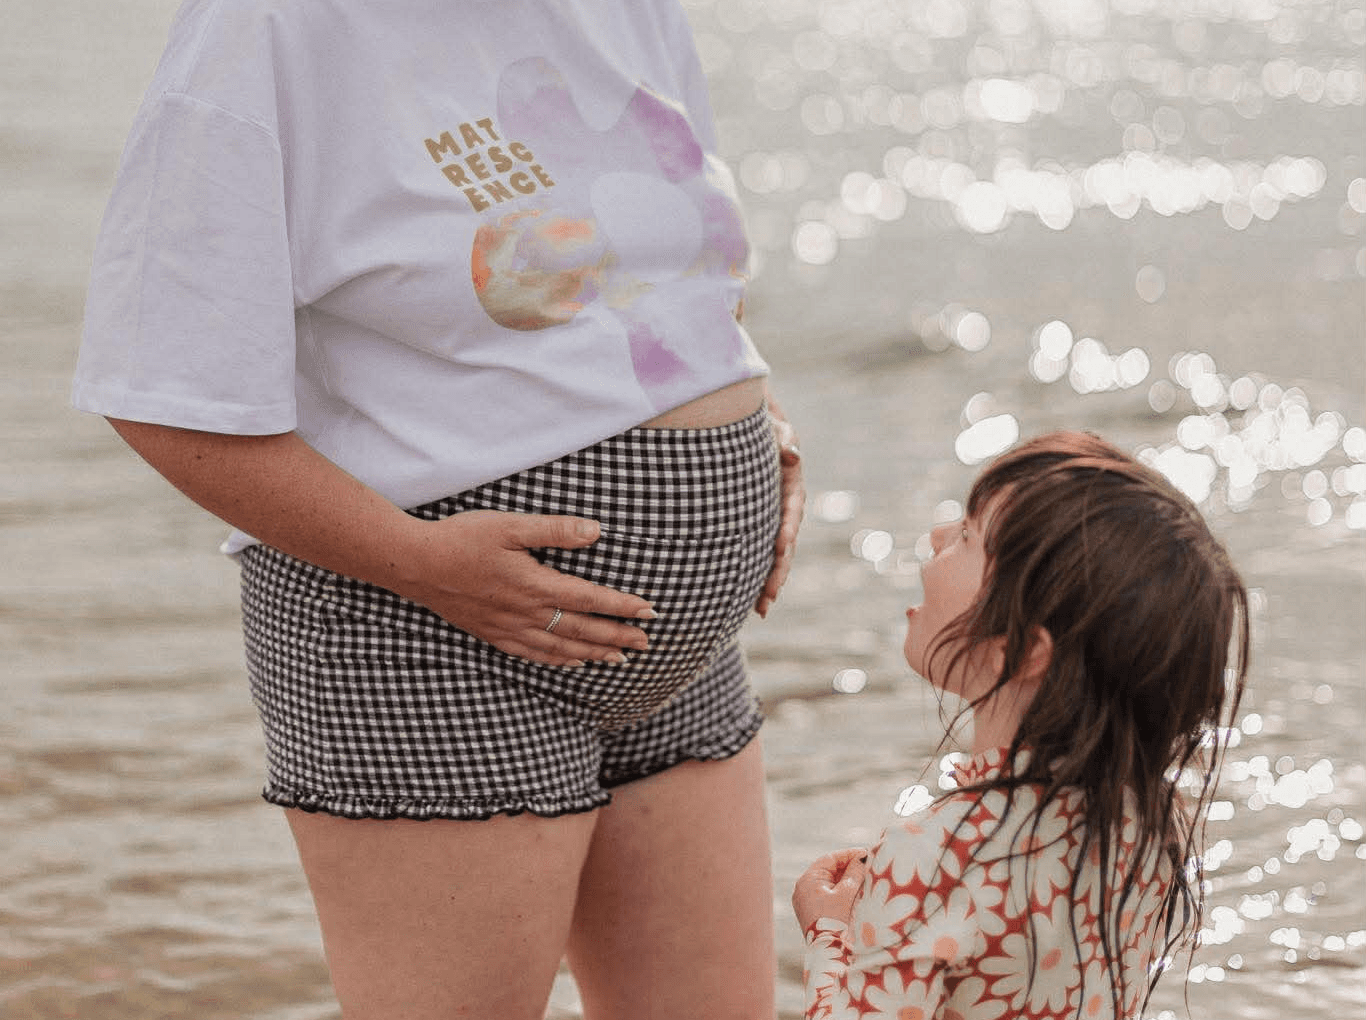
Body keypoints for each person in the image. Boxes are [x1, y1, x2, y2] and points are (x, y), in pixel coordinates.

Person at [71, 1, 803, 1017]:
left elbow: (671, 267)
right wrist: (424, 565)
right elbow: (161, 396)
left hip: (673, 651)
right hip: (428, 637)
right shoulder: (267, 27)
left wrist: (746, 405)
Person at [793, 431, 1249, 1020]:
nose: (933, 540)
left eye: (964, 538)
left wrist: (829, 936)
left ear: (1025, 650)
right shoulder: (1147, 827)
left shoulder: (932, 860)